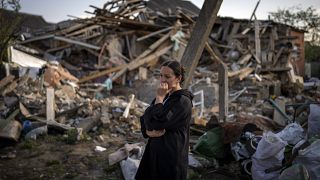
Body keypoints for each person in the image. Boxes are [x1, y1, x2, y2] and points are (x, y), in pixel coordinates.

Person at [135, 60, 194, 180]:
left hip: (170, 156)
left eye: (167, 76)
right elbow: (145, 117)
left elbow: (158, 122)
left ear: (178, 78)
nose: (162, 80)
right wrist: (148, 132)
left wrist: (159, 99)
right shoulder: (165, 96)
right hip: (155, 152)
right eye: (161, 75)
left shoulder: (182, 102)